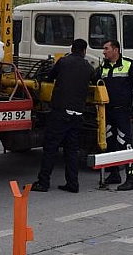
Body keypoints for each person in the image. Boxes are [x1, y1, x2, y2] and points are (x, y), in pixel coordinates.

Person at [31, 39, 96, 193]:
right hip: (77, 114)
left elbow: (49, 76)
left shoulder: (63, 62)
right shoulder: (88, 67)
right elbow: (94, 80)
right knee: (71, 150)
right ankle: (73, 184)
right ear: (84, 51)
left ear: (72, 48)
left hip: (61, 112)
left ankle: (43, 182)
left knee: (51, 148)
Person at [99, 39, 133, 191]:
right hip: (108, 112)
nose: (104, 51)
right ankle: (114, 174)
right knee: (110, 143)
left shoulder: (129, 64)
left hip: (123, 112)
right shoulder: (102, 68)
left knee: (126, 144)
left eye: (106, 48)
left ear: (116, 50)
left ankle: (132, 179)